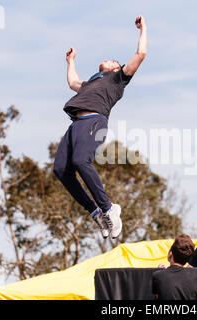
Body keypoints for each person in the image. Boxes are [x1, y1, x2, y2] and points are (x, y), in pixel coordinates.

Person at [53, 16, 147, 239]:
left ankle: (109, 208)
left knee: (80, 161)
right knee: (60, 169)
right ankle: (96, 212)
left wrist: (143, 28)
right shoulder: (91, 82)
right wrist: (71, 61)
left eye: (111, 59)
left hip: (94, 121)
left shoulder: (118, 78)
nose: (106, 59)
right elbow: (72, 83)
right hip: (76, 124)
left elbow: (141, 54)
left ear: (116, 66)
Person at [152, 234, 197, 300]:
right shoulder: (196, 275)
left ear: (171, 254)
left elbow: (160, 295)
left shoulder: (157, 275)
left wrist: (162, 271)